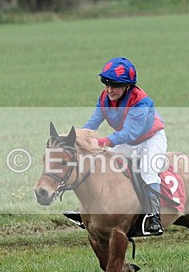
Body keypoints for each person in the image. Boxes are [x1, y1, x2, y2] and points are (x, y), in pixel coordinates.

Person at [64, 56, 166, 236]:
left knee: (148, 170)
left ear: (128, 86)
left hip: (150, 140)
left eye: (115, 86)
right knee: (99, 161)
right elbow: (93, 122)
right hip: (129, 141)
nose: (109, 90)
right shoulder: (105, 98)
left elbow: (129, 133)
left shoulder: (140, 102)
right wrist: (79, 138)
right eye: (107, 84)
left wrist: (102, 142)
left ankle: (154, 217)